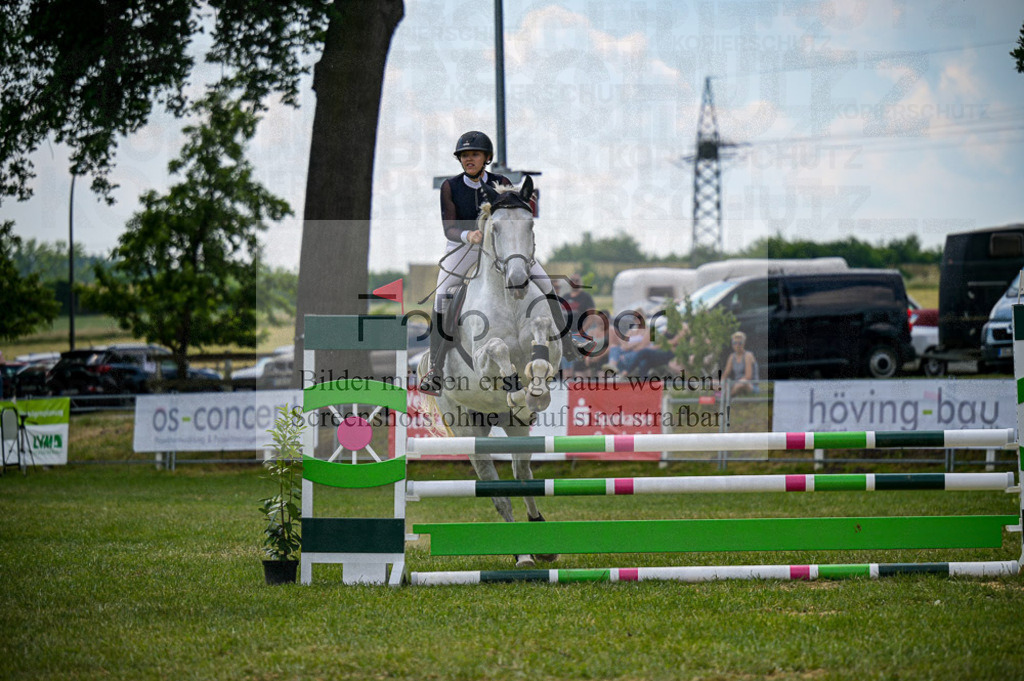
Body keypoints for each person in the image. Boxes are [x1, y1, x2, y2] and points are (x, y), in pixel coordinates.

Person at [419, 131, 587, 395]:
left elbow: (515, 218)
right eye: (464, 156)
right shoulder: (450, 187)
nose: (468, 159)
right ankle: (435, 369)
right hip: (463, 248)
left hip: (505, 247)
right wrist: (469, 235)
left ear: (487, 158)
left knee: (545, 284)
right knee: (441, 297)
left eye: (474, 154)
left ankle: (567, 340)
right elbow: (448, 228)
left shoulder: (502, 182)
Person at [723, 331, 758, 395]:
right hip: (735, 384)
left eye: (740, 343)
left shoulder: (748, 355)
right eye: (735, 343)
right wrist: (721, 383)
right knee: (713, 383)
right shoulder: (732, 357)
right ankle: (724, 396)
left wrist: (734, 384)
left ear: (743, 343)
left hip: (750, 385)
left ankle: (726, 398)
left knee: (741, 383)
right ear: (732, 344)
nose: (737, 345)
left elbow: (748, 377)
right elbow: (726, 373)